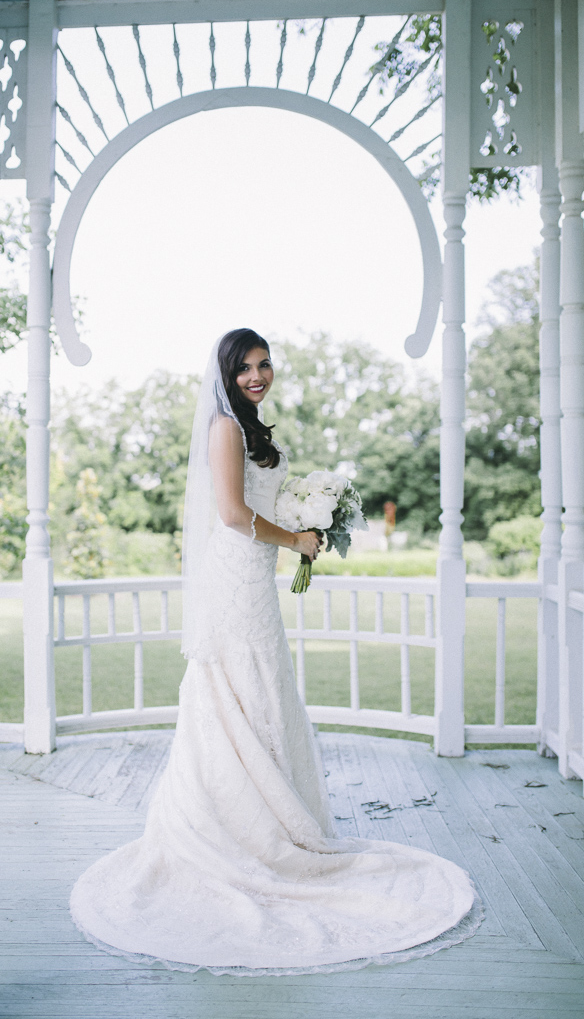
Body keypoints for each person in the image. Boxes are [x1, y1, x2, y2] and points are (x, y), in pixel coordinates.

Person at [70, 328, 481, 975]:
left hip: (254, 576)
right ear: (226, 375)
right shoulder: (225, 429)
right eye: (245, 369)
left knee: (262, 691)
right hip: (236, 573)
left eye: (264, 365)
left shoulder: (252, 427)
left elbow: (259, 498)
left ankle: (269, 825)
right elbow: (232, 514)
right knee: (235, 691)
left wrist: (311, 514)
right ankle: (235, 834)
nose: (257, 376)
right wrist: (295, 539)